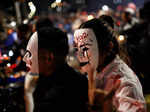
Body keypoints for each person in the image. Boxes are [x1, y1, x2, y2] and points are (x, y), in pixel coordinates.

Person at [73, 18, 146, 112]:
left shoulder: (125, 84)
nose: (81, 55)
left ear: (108, 47)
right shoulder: (97, 71)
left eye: (86, 48)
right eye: (78, 48)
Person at [23, 19, 88, 112]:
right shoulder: (76, 78)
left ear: (48, 57)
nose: (26, 59)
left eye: (30, 54)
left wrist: (28, 94)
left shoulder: (61, 92)